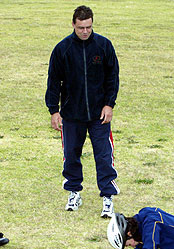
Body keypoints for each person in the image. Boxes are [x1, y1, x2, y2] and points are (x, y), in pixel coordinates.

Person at [45, 5, 120, 218]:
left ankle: (107, 198)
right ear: (73, 25)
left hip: (99, 115)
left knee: (104, 156)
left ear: (92, 24)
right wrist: (54, 110)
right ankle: (74, 193)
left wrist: (109, 105)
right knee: (71, 155)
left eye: (88, 27)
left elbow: (112, 77)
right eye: (81, 28)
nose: (85, 31)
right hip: (71, 115)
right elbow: (53, 81)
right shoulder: (62, 49)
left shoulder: (104, 46)